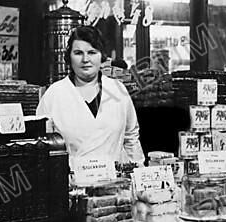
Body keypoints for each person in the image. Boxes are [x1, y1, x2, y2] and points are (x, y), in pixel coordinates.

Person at [37, 25, 145, 167]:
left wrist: (138, 170)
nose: (85, 59)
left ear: (102, 57)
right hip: (71, 182)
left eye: (92, 52)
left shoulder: (118, 90)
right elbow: (42, 145)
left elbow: (131, 137)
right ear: (69, 57)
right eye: (78, 53)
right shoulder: (54, 94)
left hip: (115, 182)